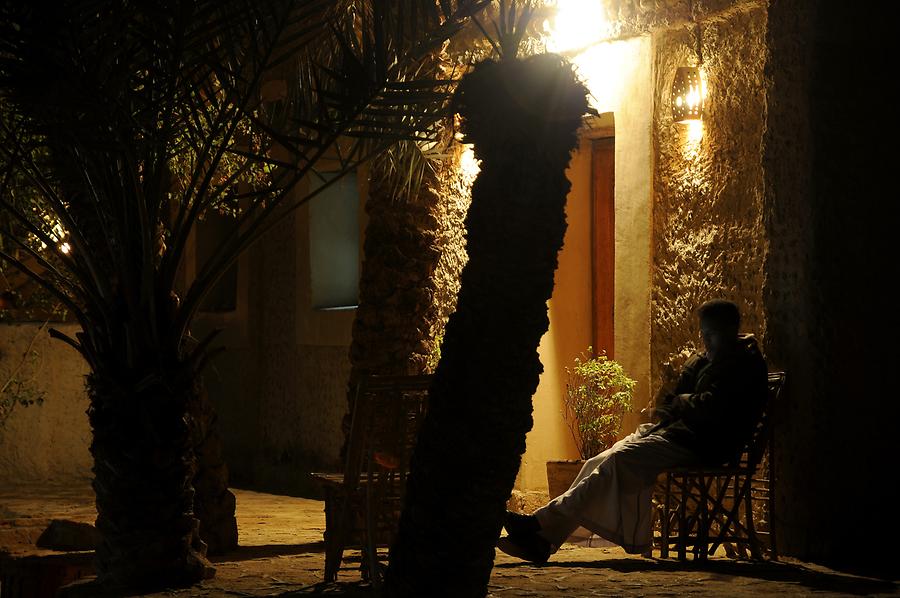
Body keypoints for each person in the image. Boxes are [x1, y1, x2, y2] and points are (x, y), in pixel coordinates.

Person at [497, 299, 768, 563]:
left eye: (711, 335)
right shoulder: (707, 358)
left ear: (730, 331)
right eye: (703, 334)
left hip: (703, 444)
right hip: (677, 434)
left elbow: (711, 407)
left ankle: (538, 525)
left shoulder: (743, 363)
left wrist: (679, 402)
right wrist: (672, 383)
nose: (705, 341)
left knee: (620, 459)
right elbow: (673, 401)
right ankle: (543, 538)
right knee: (600, 460)